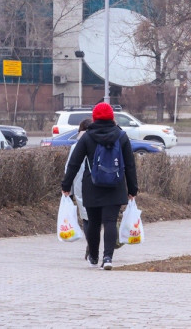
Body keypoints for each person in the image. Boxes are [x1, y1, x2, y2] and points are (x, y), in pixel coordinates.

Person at [61, 102, 138, 271]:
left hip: (92, 184)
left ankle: (94, 257)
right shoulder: (121, 136)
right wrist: (133, 189)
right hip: (115, 185)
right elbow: (130, 165)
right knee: (110, 221)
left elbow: (74, 162)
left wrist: (66, 185)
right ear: (112, 117)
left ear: (94, 117)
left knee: (94, 222)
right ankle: (108, 257)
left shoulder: (88, 136)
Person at [65, 118, 92, 261]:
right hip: (98, 184)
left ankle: (91, 244)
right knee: (97, 217)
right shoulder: (98, 142)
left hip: (80, 186)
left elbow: (69, 167)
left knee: (86, 218)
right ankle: (95, 244)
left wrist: (67, 188)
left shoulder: (76, 146)